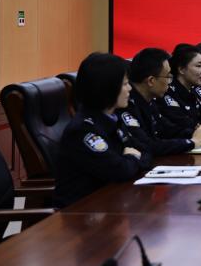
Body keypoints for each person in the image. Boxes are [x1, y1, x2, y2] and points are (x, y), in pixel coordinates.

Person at [54, 53, 151, 208]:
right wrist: (133, 157)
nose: (130, 89)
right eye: (125, 84)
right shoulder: (83, 130)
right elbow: (119, 170)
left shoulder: (111, 118)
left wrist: (131, 158)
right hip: (81, 212)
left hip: (111, 202)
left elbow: (146, 151)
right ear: (107, 88)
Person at [124, 47, 201, 155]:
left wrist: (200, 132)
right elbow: (148, 146)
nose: (169, 82)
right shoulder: (126, 104)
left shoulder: (149, 100)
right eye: (168, 76)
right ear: (151, 81)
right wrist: (193, 142)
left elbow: (168, 129)